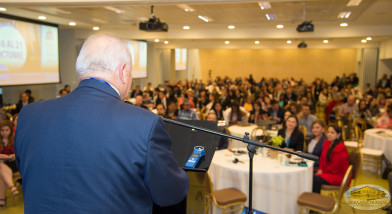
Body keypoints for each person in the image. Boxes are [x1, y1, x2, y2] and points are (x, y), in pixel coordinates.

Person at [15, 34, 189, 213]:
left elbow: (28, 171)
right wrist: (180, 170)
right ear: (122, 71)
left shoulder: (29, 115)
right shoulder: (145, 124)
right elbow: (170, 193)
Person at [313, 125, 350, 193]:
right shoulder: (327, 142)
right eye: (328, 132)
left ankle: (316, 199)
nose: (329, 134)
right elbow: (322, 158)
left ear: (338, 135)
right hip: (327, 171)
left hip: (338, 175)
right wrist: (320, 169)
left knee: (315, 179)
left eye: (332, 132)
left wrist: (322, 172)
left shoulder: (340, 147)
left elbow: (336, 168)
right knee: (310, 172)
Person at [0, 120, 19, 208]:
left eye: (6, 130)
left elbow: (19, 152)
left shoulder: (15, 139)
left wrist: (14, 155)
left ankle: (2, 199)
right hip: (3, 164)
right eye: (2, 130)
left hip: (14, 163)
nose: (4, 132)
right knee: (1, 167)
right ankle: (12, 187)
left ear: (10, 130)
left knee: (1, 174)